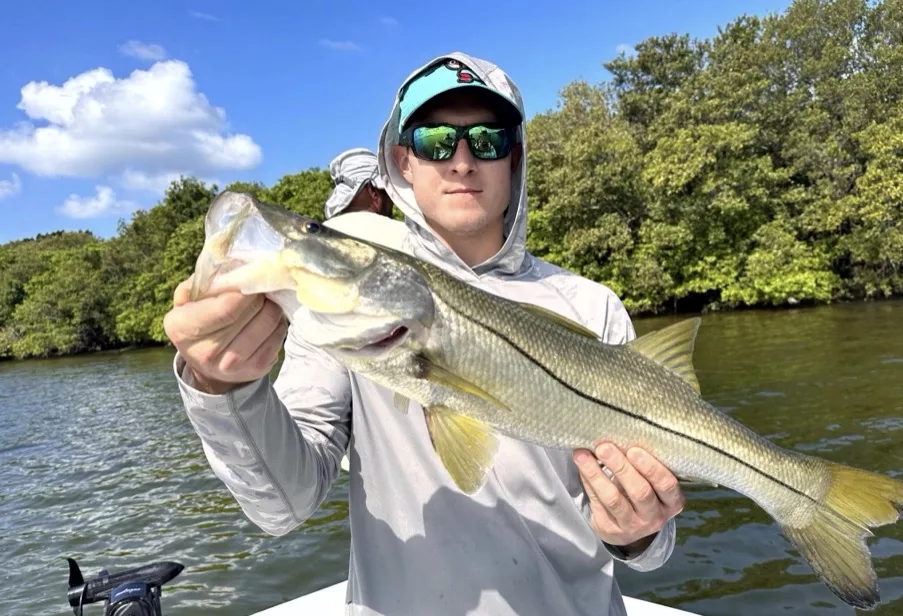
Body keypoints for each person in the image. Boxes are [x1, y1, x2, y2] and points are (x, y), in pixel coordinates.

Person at [164, 52, 685, 616]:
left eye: (486, 140)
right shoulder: (335, 317)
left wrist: (638, 531)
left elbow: (650, 548)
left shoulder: (593, 305)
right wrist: (225, 390)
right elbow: (279, 506)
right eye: (437, 140)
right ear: (402, 161)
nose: (462, 161)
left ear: (514, 158)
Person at [324, 147, 394, 218]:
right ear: (373, 191)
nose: (392, 199)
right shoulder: (399, 228)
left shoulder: (318, 228)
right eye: (386, 190)